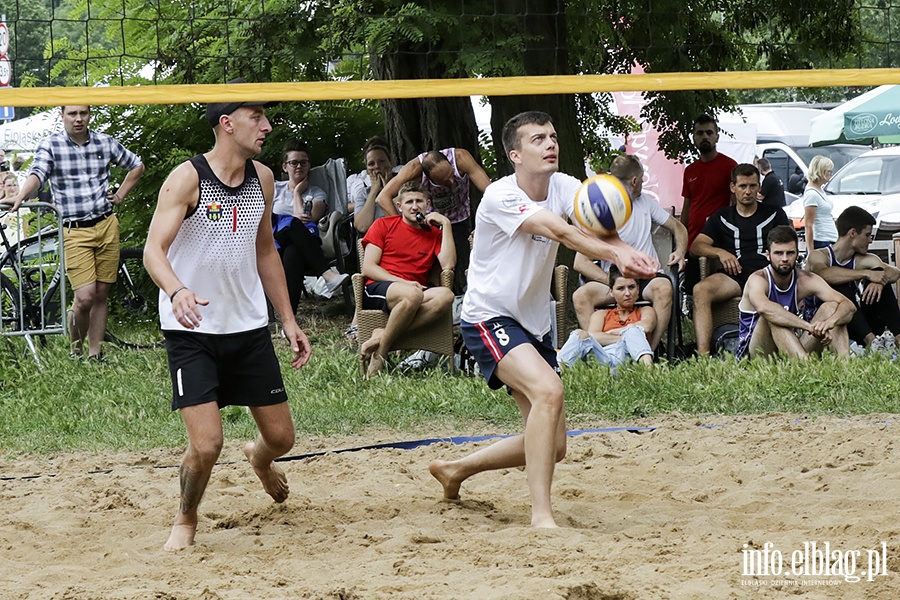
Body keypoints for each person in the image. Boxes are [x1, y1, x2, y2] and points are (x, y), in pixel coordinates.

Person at [428, 111, 657, 528]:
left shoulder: (566, 185)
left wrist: (622, 246)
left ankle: (456, 468)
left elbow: (598, 223)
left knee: (553, 445)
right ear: (515, 154)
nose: (551, 143)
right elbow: (563, 233)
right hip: (487, 317)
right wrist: (617, 255)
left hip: (531, 323)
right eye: (538, 139)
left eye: (552, 136)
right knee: (549, 392)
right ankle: (541, 516)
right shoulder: (500, 195)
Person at [143, 86, 312, 551]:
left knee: (281, 439)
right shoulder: (187, 179)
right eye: (256, 116)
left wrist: (288, 320)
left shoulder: (263, 176)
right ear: (227, 123)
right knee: (207, 444)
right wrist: (177, 291)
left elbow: (265, 251)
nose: (267, 126)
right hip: (192, 328)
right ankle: (185, 520)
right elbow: (152, 251)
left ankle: (259, 459)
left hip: (248, 326)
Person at [2, 105, 144, 360]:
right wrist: (21, 196)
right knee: (84, 297)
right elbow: (38, 174)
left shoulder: (105, 142)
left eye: (84, 113)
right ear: (62, 115)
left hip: (106, 224)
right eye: (72, 114)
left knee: (101, 294)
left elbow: (136, 166)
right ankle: (75, 348)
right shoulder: (52, 145)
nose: (78, 119)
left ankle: (94, 353)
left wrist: (120, 195)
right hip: (74, 230)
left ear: (90, 115)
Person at [572, 154, 687, 351]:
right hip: (614, 280)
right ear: (635, 181)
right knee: (581, 295)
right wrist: (611, 281)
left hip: (646, 279)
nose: (642, 184)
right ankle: (601, 349)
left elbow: (679, 227)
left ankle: (649, 349)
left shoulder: (645, 202)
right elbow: (580, 262)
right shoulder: (602, 210)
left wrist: (680, 251)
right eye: (642, 180)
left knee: (664, 288)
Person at [690, 163, 790, 355]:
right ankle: (703, 357)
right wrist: (720, 253)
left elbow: (788, 245)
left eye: (753, 186)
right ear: (732, 187)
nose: (748, 191)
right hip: (734, 275)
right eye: (743, 186)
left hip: (766, 275)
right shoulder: (721, 216)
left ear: (759, 187)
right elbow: (696, 246)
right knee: (700, 290)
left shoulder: (774, 213)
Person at [359, 181, 456, 378]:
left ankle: (381, 336)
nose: (414, 206)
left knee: (446, 296)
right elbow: (368, 267)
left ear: (427, 204)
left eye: (419, 201)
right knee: (412, 294)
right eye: (409, 201)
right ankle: (381, 355)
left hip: (415, 291)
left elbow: (448, 265)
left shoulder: (435, 234)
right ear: (399, 206)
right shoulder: (384, 225)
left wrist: (446, 225)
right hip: (378, 288)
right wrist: (403, 283)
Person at [374, 147, 491, 290]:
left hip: (460, 217)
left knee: (467, 263)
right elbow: (382, 198)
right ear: (427, 177)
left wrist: (484, 225)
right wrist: (403, 228)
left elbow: (491, 193)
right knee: (433, 270)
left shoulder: (461, 158)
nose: (452, 181)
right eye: (444, 181)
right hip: (430, 223)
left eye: (451, 174)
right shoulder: (413, 169)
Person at [735, 225, 853, 359]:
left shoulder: (806, 279)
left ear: (797, 253)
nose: (784, 259)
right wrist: (809, 327)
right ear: (768, 255)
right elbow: (764, 308)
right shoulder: (758, 279)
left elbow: (848, 306)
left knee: (832, 307)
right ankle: (807, 370)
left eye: (790, 253)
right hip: (756, 355)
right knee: (772, 315)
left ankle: (845, 369)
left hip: (789, 348)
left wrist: (830, 322)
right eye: (778, 253)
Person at [805, 206, 900, 351]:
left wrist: (880, 281)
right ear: (853, 233)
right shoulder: (819, 256)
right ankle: (871, 342)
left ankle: (897, 339)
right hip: (825, 324)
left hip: (857, 324)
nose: (870, 241)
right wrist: (867, 274)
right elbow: (824, 274)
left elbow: (894, 272)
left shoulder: (862, 259)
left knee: (879, 276)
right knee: (838, 285)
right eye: (868, 235)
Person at [271, 138, 348, 308]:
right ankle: (327, 274)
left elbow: (308, 218)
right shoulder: (276, 189)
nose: (299, 166)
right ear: (285, 167)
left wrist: (298, 192)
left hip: (305, 245)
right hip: (276, 243)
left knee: (293, 253)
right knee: (291, 223)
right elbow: (296, 218)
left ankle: (289, 318)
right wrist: (296, 191)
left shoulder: (317, 193)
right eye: (294, 163)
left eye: (303, 162)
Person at [680, 114, 737, 295]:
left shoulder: (730, 166)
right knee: (692, 292)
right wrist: (681, 239)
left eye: (709, 133)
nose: (705, 137)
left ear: (717, 136)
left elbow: (736, 204)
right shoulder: (690, 170)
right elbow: (687, 205)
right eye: (700, 133)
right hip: (693, 242)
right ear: (694, 138)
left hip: (720, 243)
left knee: (717, 292)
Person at [559, 266, 655, 368]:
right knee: (579, 334)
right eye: (620, 288)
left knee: (633, 330)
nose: (627, 293)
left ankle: (648, 372)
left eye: (631, 287)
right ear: (611, 292)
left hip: (630, 362)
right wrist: (626, 338)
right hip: (604, 360)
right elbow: (593, 336)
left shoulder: (645, 310)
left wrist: (614, 333)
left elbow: (647, 326)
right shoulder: (601, 314)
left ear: (638, 289)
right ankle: (556, 370)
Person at [351, 138, 399, 233]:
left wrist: (387, 189)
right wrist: (373, 191)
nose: (377, 166)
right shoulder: (363, 194)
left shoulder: (403, 186)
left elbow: (403, 215)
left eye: (381, 161)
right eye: (371, 164)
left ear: (390, 163)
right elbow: (362, 226)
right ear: (367, 170)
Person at [802, 155, 838, 250]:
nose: (831, 174)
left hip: (829, 239)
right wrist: (811, 251)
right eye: (829, 171)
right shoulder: (812, 194)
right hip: (821, 241)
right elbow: (808, 225)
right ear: (821, 172)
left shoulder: (819, 190)